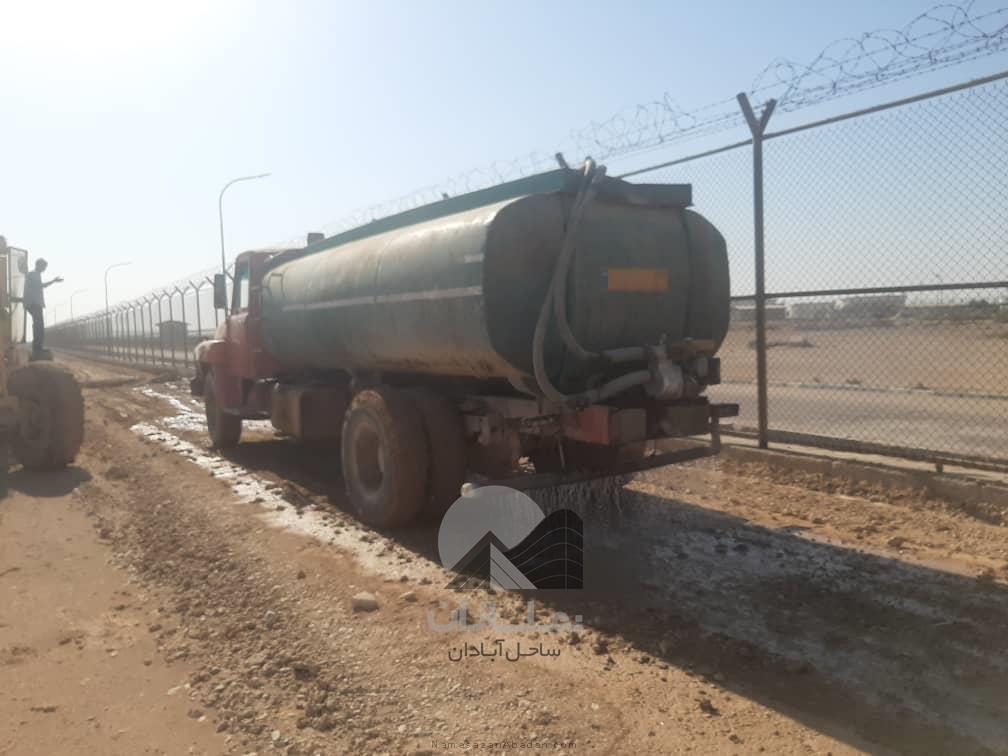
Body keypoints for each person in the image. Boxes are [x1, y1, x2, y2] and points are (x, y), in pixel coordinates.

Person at [22, 259, 63, 356]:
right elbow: (41, 286)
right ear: (39, 265)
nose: (44, 269)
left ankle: (37, 347)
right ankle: (37, 347)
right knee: (39, 325)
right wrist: (53, 281)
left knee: (38, 324)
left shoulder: (34, 274)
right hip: (34, 303)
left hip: (33, 303)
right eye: (44, 267)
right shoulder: (33, 274)